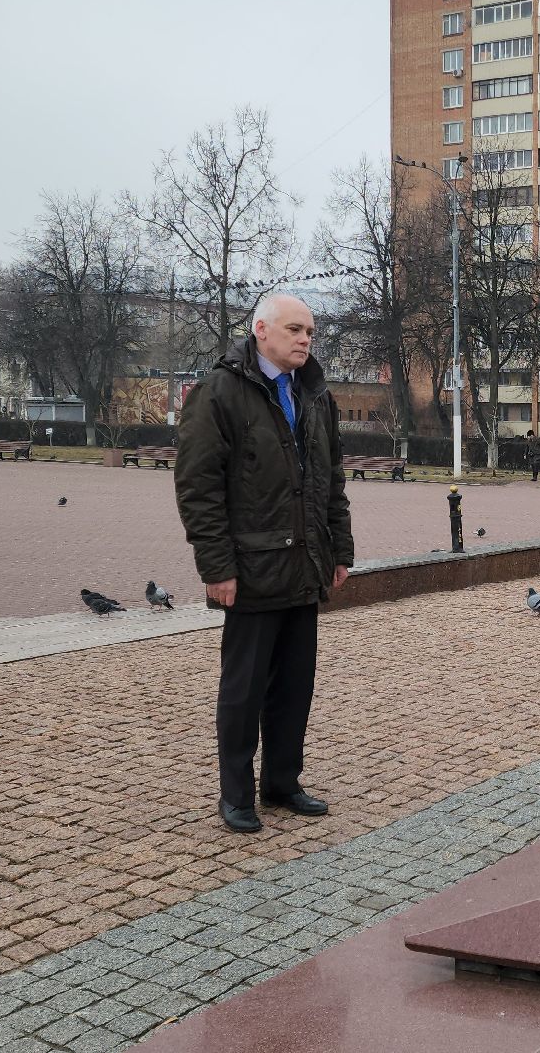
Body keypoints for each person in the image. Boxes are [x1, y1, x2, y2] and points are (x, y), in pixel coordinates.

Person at [175, 293, 354, 834]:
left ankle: (282, 781)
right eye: (295, 330)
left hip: (305, 566)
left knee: (295, 685)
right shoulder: (220, 392)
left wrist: (339, 551)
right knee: (244, 689)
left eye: (310, 332)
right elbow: (198, 487)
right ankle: (236, 794)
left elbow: (331, 481)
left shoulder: (315, 394)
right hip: (250, 569)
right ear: (261, 330)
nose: (304, 340)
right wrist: (216, 566)